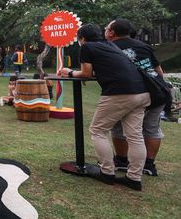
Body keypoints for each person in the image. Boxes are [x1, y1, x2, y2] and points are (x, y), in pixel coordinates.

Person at [59, 23, 150, 191]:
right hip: (142, 92)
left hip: (119, 93)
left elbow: (86, 73)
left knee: (98, 130)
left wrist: (69, 72)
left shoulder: (87, 47)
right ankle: (134, 178)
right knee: (135, 136)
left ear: (82, 38)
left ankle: (107, 172)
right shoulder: (110, 45)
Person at [105, 18, 167, 176]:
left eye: (107, 28)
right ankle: (149, 165)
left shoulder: (109, 47)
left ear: (112, 33)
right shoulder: (143, 45)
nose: (105, 30)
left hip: (132, 92)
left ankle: (121, 161)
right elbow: (159, 72)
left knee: (119, 127)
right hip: (158, 91)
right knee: (151, 129)